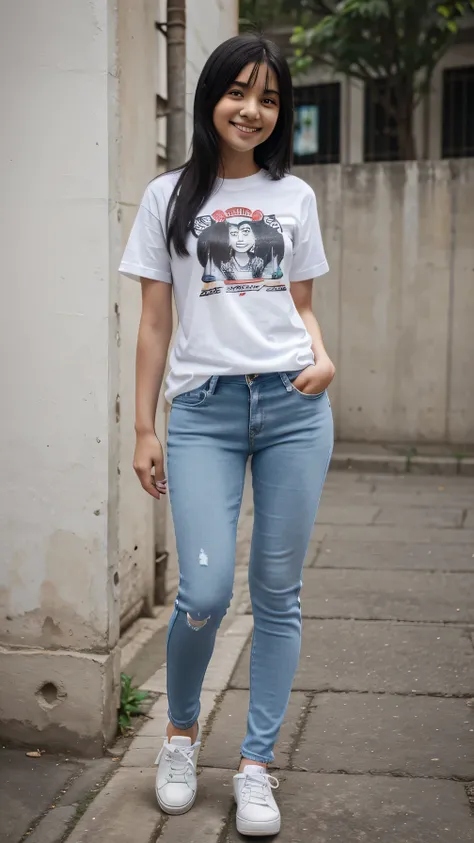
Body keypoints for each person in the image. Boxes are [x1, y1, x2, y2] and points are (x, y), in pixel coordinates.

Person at [119, 33, 335, 838]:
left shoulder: (296, 197)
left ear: (280, 114)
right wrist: (144, 425)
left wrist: (322, 352)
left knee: (278, 593)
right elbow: (152, 321)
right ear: (212, 97)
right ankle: (179, 736)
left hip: (293, 408)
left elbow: (300, 304)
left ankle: (254, 764)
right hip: (203, 411)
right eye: (239, 92)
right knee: (205, 592)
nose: (253, 109)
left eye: (270, 98)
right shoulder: (166, 196)